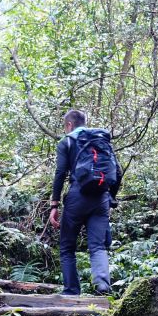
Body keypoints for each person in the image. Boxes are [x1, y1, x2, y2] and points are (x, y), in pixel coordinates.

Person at [48, 110, 122, 296]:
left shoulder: (67, 141)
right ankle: (103, 286)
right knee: (97, 246)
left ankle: (72, 290)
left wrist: (54, 205)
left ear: (69, 125)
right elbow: (117, 171)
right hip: (101, 197)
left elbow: (60, 173)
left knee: (67, 247)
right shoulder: (100, 140)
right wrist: (110, 197)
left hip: (77, 196)